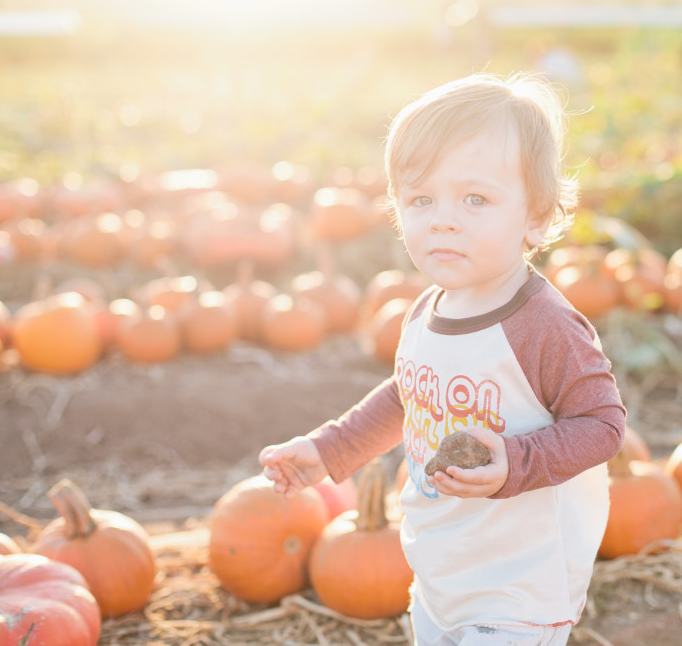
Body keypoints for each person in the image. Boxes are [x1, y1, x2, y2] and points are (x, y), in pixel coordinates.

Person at [259, 72, 626, 645]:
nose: (443, 219)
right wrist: (331, 450)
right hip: (441, 569)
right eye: (421, 199)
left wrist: (518, 460)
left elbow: (603, 426)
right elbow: (409, 395)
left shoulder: (543, 327)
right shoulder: (425, 312)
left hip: (518, 585)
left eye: (474, 199)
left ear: (536, 214)